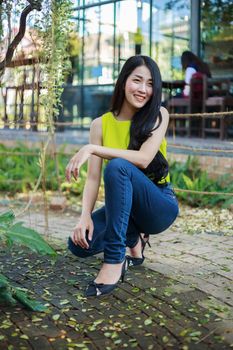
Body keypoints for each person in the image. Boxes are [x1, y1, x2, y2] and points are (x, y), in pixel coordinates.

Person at [66, 55, 179, 297]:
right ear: (123, 80)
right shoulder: (100, 124)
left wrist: (92, 148)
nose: (143, 89)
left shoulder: (158, 115)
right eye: (137, 80)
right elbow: (93, 178)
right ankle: (134, 241)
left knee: (118, 166)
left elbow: (143, 159)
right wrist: (84, 216)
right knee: (77, 245)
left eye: (150, 84)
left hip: (159, 205)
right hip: (125, 207)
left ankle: (115, 260)